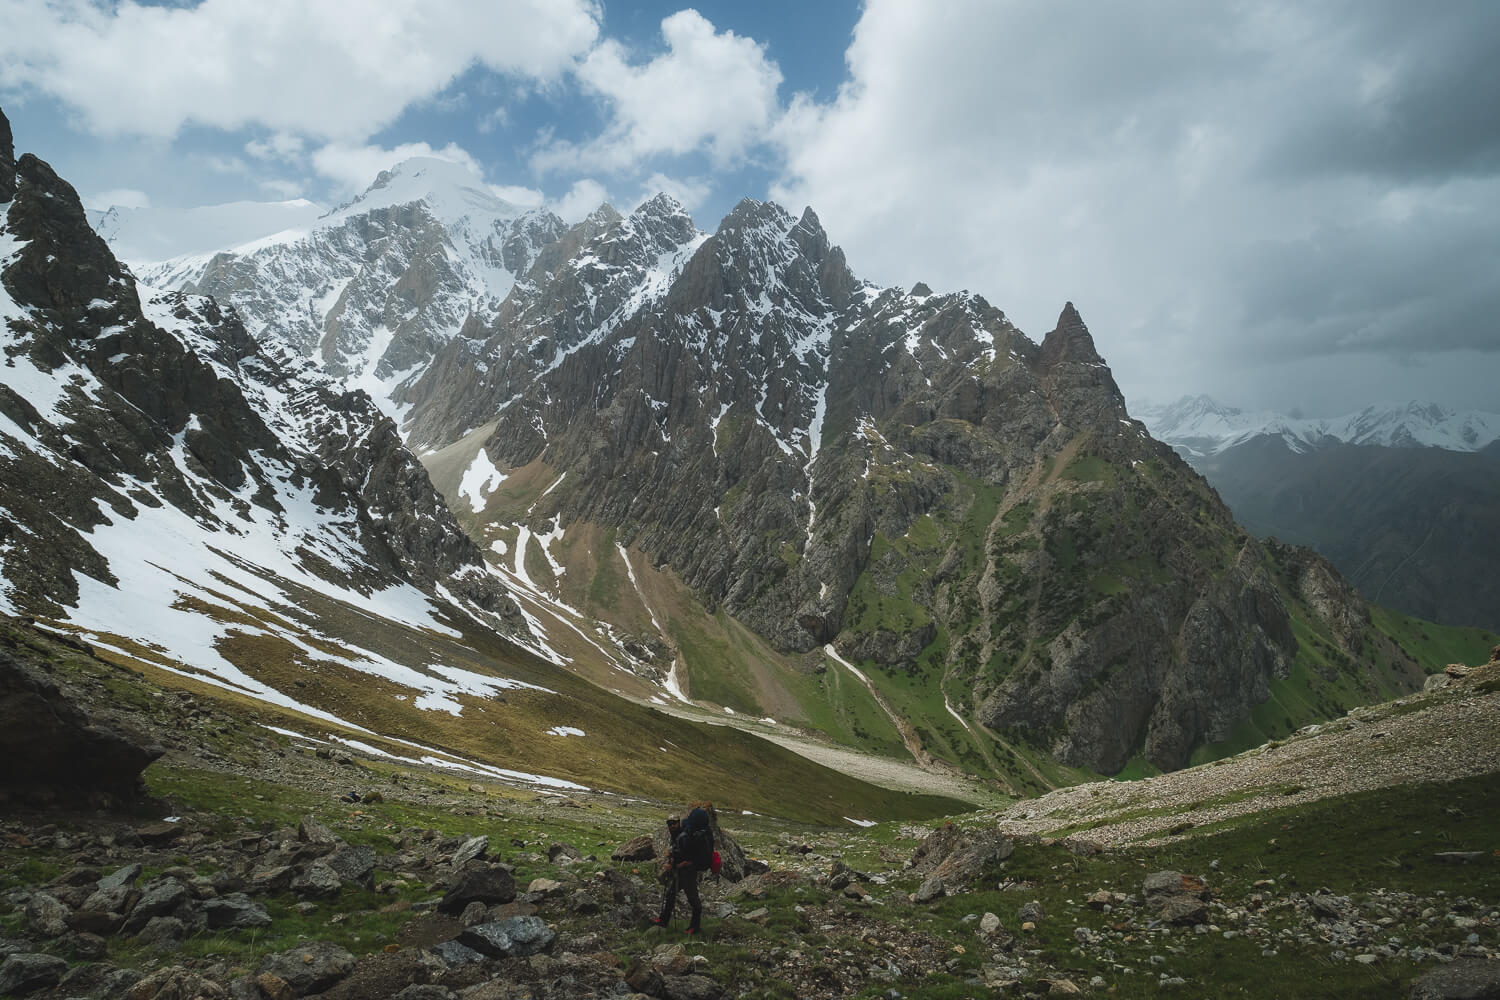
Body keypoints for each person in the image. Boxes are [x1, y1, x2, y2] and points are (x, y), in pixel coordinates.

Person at [652, 807, 711, 934]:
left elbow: (690, 855)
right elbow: (678, 852)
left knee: (693, 899)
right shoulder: (680, 834)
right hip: (680, 871)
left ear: (679, 823)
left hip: (688, 872)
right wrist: (672, 859)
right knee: (670, 894)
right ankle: (663, 920)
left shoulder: (689, 835)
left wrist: (678, 864)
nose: (672, 826)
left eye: (674, 823)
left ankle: (695, 927)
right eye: (669, 823)